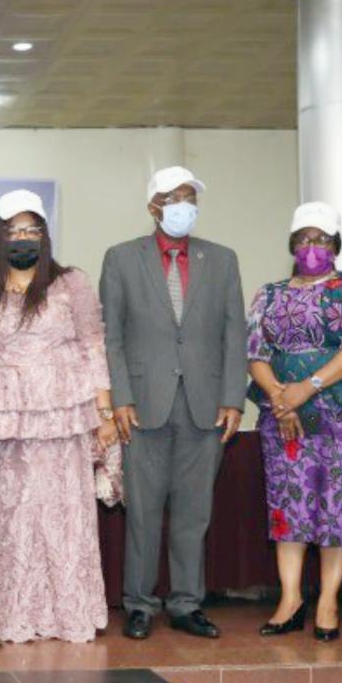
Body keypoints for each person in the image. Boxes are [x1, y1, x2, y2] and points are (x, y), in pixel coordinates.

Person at [100, 166, 246, 641]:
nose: (183, 204)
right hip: (142, 405)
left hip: (205, 405)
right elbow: (112, 337)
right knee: (142, 511)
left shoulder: (222, 259)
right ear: (153, 207)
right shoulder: (121, 259)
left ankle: (186, 603)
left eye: (189, 197)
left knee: (194, 512)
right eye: (172, 196)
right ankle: (139, 604)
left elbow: (233, 334)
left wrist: (233, 398)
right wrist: (120, 397)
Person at [0, 191, 117, 644]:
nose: (24, 238)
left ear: (45, 236)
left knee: (65, 517)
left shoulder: (71, 283)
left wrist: (104, 411)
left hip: (65, 412)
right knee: (10, 519)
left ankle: (68, 614)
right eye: (14, 231)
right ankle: (10, 614)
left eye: (32, 230)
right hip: (7, 416)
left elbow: (93, 346)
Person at [245, 202, 342, 642]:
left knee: (336, 505)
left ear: (337, 246)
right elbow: (255, 354)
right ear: (291, 245)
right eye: (304, 239)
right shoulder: (269, 293)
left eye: (321, 240)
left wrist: (310, 385)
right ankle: (290, 599)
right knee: (290, 504)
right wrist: (279, 399)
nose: (312, 247)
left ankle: (327, 600)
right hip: (285, 418)